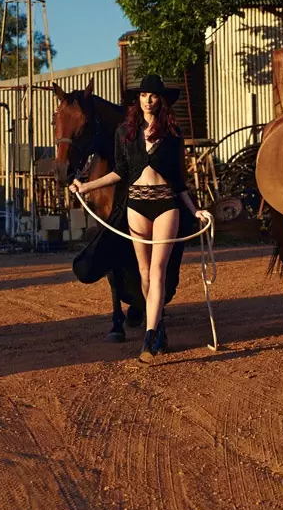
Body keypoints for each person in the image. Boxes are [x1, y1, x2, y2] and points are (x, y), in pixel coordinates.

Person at [70, 75, 211, 362]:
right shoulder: (125, 132)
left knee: (158, 270)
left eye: (154, 95)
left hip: (166, 204)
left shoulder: (173, 133)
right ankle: (157, 326)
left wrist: (195, 210)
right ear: (139, 99)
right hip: (136, 205)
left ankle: (148, 337)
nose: (148, 99)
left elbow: (179, 180)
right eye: (144, 95)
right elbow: (119, 171)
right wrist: (85, 185)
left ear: (161, 101)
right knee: (144, 272)